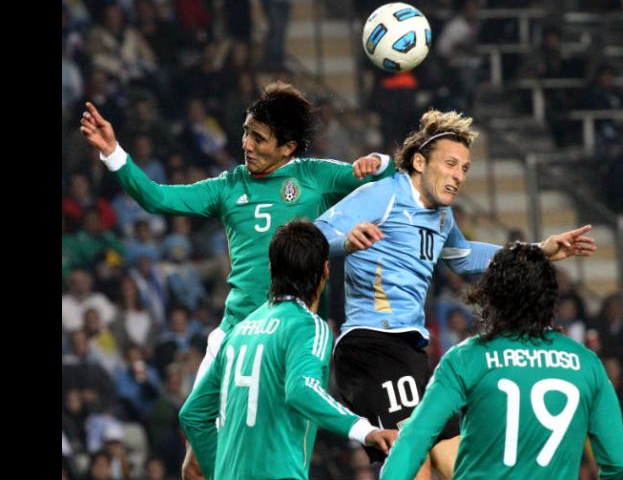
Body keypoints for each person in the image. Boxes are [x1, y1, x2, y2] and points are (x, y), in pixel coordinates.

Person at [80, 80, 395, 478]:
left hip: (291, 329)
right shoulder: (229, 186)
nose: (246, 144)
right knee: (194, 449)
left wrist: (379, 162)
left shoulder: (316, 177)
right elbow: (158, 198)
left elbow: (391, 181)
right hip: (237, 330)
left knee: (289, 441)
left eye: (259, 138)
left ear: (288, 147)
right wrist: (112, 151)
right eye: (246, 131)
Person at [315, 109, 596, 479]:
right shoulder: (382, 194)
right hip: (372, 344)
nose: (458, 175)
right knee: (413, 460)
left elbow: (463, 258)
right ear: (419, 162)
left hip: (410, 350)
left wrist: (538, 249)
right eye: (450, 164)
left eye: (464, 168)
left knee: (458, 462)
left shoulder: (442, 217)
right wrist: (344, 243)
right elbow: (312, 237)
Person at [380, 243, 623, 480]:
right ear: (550, 299)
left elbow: (415, 438)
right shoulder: (586, 363)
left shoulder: (466, 358)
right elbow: (621, 463)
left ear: (491, 297)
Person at [179, 220, 398, 479]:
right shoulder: (308, 326)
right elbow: (301, 389)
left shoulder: (238, 332)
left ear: (271, 270)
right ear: (326, 270)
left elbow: (193, 414)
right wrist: (365, 430)